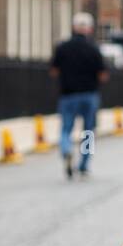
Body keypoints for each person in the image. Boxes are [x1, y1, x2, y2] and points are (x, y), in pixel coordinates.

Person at [49, 12, 109, 179]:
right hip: (89, 95)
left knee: (66, 128)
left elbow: (54, 71)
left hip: (68, 95)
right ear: (89, 29)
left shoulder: (62, 47)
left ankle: (66, 150)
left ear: (73, 27)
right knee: (88, 132)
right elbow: (103, 75)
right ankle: (83, 165)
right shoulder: (94, 49)